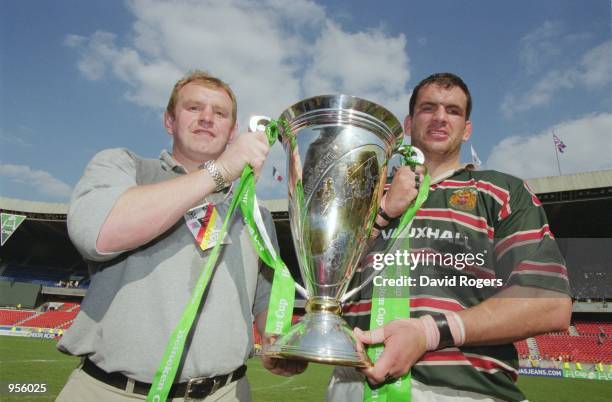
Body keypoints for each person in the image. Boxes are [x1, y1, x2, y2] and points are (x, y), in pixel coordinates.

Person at [57, 70, 305, 402]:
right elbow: (98, 235)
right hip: (112, 391)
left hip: (226, 393)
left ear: (232, 132)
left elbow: (265, 297)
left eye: (219, 113)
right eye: (193, 108)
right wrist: (220, 172)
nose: (207, 118)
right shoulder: (125, 167)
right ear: (169, 121)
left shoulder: (253, 210)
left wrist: (278, 340)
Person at [327, 73, 572, 402]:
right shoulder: (365, 193)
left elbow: (549, 303)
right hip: (353, 385)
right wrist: (383, 211)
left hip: (466, 391)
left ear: (467, 128)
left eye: (453, 110)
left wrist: (429, 332)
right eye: (429, 108)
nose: (440, 117)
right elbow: (324, 280)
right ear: (409, 123)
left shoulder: (501, 191)